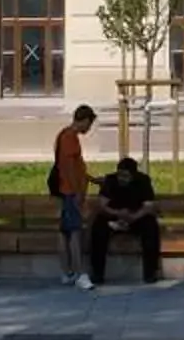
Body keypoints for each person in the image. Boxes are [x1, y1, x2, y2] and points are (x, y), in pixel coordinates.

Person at [88, 155, 163, 286]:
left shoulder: (143, 181)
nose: (122, 179)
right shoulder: (110, 181)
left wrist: (133, 217)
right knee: (98, 228)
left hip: (136, 217)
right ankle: (97, 273)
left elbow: (149, 207)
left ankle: (150, 273)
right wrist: (118, 213)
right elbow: (101, 205)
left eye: (126, 176)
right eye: (120, 175)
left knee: (151, 226)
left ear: (133, 175)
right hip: (114, 217)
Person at [52, 104, 97, 289]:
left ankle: (67, 272)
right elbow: (70, 168)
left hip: (65, 191)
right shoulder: (70, 138)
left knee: (65, 232)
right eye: (89, 124)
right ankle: (79, 274)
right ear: (84, 120)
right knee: (75, 233)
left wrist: (91, 179)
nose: (89, 129)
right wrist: (78, 192)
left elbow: (75, 168)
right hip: (71, 192)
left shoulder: (63, 135)